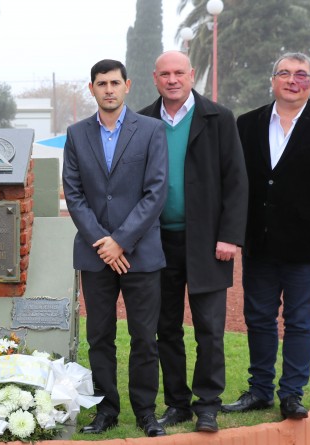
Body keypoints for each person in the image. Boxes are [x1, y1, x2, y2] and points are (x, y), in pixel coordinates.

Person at [222, 52, 310, 420]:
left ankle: (292, 395)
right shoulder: (247, 124)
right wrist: (231, 233)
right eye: (285, 73)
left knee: (300, 322)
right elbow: (235, 183)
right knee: (258, 319)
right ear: (273, 80)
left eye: (301, 75)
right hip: (259, 242)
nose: (292, 80)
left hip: (307, 245)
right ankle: (260, 391)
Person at [137, 51, 248, 433]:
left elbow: (236, 181)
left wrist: (230, 236)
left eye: (179, 73)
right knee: (165, 328)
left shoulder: (219, 118)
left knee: (210, 329)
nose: (172, 80)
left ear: (192, 75)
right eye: (165, 74)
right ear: (155, 78)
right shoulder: (142, 121)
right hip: (157, 243)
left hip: (208, 243)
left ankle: (208, 405)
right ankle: (178, 404)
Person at [63, 59, 168, 437]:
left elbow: (156, 191)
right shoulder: (76, 134)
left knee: (144, 338)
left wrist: (121, 241)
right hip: (96, 255)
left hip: (141, 253)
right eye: (101, 83)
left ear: (127, 86)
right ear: (91, 88)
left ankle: (146, 412)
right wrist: (104, 243)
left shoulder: (151, 130)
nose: (108, 89)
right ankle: (106, 410)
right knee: (99, 337)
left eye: (114, 83)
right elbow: (74, 194)